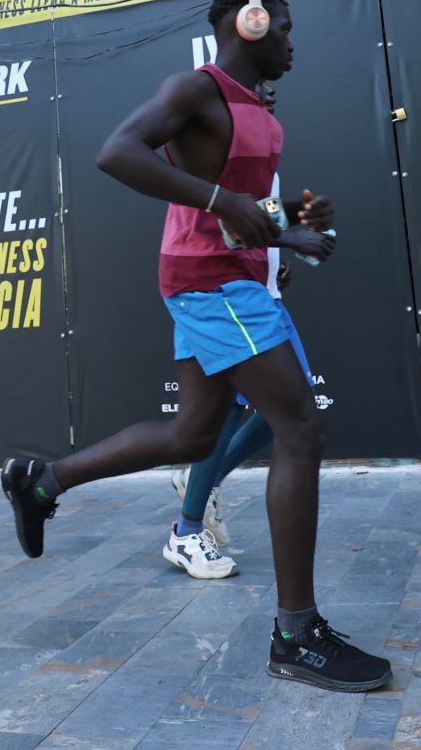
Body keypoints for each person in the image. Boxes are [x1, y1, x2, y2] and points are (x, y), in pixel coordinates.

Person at [0, 0, 391, 693]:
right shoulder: (195, 89)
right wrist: (224, 201)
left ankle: (44, 479)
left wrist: (294, 228)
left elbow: (245, 205)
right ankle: (296, 634)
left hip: (225, 273)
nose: (292, 40)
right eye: (284, 26)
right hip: (212, 280)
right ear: (249, 23)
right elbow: (116, 152)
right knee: (299, 426)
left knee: (192, 437)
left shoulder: (259, 111)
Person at [162, 79, 325, 580]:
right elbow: (219, 215)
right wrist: (288, 243)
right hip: (219, 291)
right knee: (291, 413)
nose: (267, 89)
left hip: (246, 286)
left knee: (225, 417)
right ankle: (190, 521)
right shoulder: (210, 138)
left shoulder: (261, 138)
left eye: (270, 84)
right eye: (253, 82)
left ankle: (195, 501)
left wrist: (277, 254)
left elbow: (253, 215)